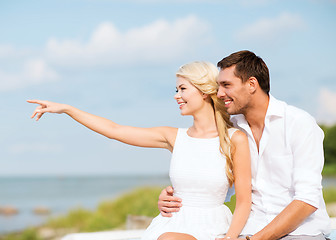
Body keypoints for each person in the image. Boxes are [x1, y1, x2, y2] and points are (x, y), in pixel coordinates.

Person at [27, 61, 252, 240]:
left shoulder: (235, 139)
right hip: (171, 223)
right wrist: (68, 109)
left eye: (183, 88)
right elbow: (114, 130)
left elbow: (243, 200)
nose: (176, 95)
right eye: (176, 89)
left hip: (213, 229)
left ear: (204, 92)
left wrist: (231, 238)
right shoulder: (174, 137)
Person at [157, 51, 331, 240]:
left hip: (301, 233)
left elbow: (306, 200)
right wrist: (175, 197)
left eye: (226, 85)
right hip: (248, 231)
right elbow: (219, 186)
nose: (219, 93)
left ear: (251, 84)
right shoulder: (231, 129)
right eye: (218, 86)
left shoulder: (299, 123)